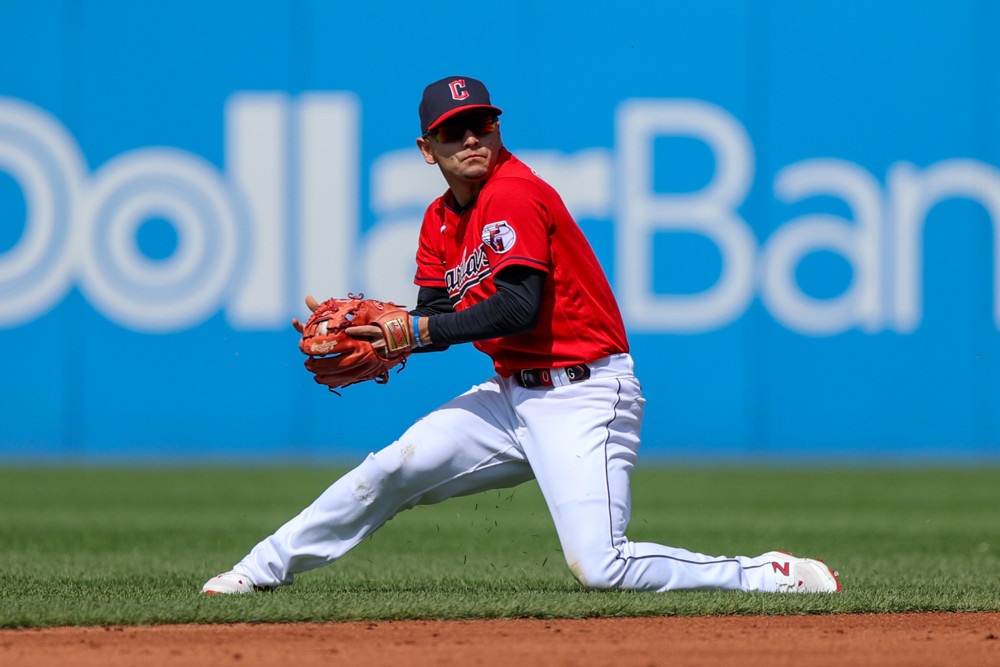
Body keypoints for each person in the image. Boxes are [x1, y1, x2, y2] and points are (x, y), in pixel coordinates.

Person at [202, 76, 840, 595]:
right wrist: (385, 330)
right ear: (428, 149)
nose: (473, 137)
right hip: (509, 397)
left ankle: (766, 575)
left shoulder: (514, 193)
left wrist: (410, 333)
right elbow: (436, 312)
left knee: (600, 567)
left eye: (484, 123)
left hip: (585, 393)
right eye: (454, 131)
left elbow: (518, 309)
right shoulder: (437, 219)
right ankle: (255, 572)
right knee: (393, 467)